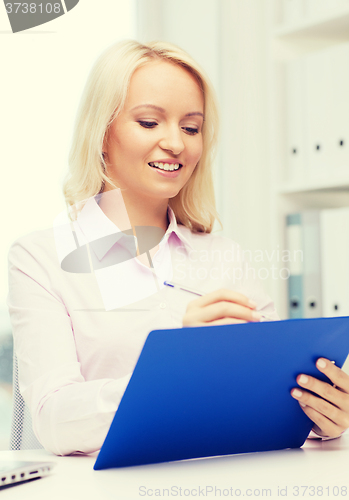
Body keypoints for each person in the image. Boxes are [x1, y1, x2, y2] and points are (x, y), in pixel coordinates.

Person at [7, 40, 349, 456]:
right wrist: (177, 364)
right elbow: (54, 420)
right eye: (150, 122)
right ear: (101, 133)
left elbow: (269, 392)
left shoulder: (223, 257)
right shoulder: (40, 258)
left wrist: (319, 416)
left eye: (191, 128)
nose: (176, 143)